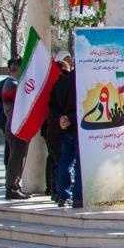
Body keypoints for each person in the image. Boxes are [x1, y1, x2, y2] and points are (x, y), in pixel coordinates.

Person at [49, 51, 82, 208]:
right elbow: (85, 106)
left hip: (66, 128)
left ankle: (63, 195)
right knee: (79, 163)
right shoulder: (85, 81)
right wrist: (70, 118)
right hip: (80, 127)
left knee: (65, 161)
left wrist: (61, 118)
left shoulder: (62, 82)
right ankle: (78, 196)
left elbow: (53, 104)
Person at [0, 57, 30, 200]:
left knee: (18, 156)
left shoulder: (10, 83)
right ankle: (12, 187)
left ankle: (14, 186)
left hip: (14, 125)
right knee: (16, 157)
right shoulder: (12, 84)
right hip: (15, 125)